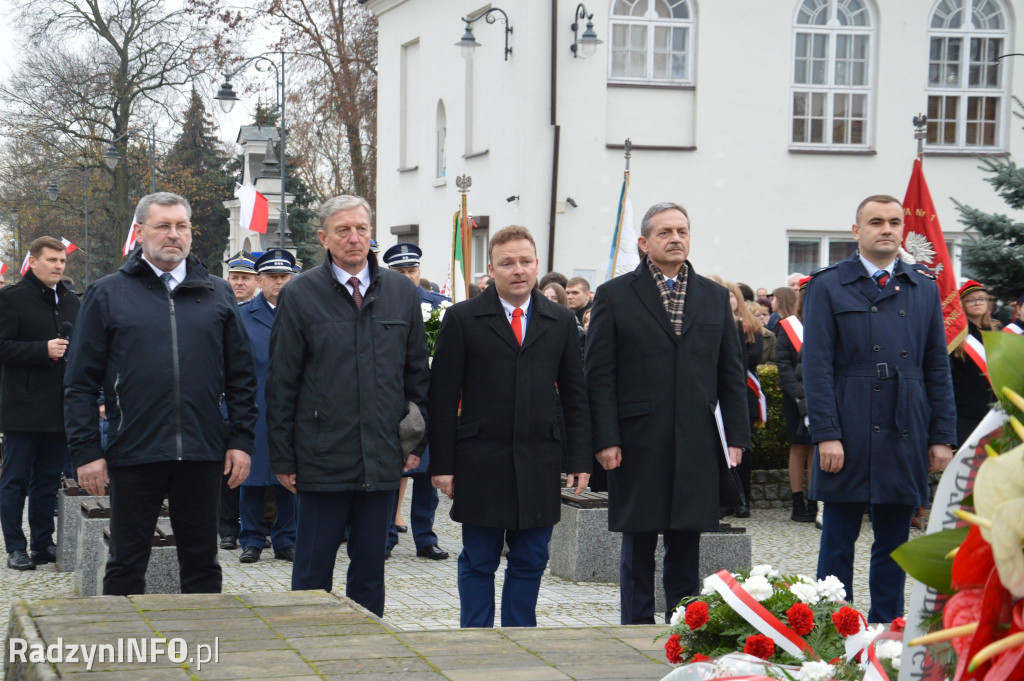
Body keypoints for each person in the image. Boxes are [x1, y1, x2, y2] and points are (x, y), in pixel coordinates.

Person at [65, 192, 258, 594]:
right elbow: (81, 381)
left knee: (203, 565)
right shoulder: (107, 294)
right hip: (134, 450)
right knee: (126, 564)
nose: (174, 235)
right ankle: (125, 654)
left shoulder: (218, 293)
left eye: (181, 226)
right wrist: (86, 452)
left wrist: (240, 440)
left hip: (202, 452)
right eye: (163, 226)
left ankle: (202, 652)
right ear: (139, 232)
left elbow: (241, 376)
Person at [586, 202, 750, 625]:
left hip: (696, 439)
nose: (675, 238)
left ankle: (683, 630)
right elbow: (599, 375)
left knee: (687, 544)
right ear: (643, 243)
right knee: (638, 545)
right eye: (664, 232)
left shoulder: (715, 298)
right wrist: (605, 439)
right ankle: (636, 630)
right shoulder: (614, 296)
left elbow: (731, 374)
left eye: (682, 231)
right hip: (636, 441)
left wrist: (736, 438)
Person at [266, 195, 429, 617]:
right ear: (323, 237)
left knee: (371, 570)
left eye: (361, 229)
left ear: (371, 232)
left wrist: (414, 443)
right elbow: (282, 381)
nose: (354, 238)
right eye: (343, 230)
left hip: (381, 457)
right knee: (312, 574)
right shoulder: (300, 295)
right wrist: (282, 455)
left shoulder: (400, 292)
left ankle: (368, 652)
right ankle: (306, 651)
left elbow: (417, 379)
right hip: (321, 459)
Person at [802, 194, 956, 623]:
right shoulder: (827, 285)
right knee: (837, 539)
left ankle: (887, 630)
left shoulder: (922, 287)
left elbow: (936, 366)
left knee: (895, 541)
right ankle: (831, 629)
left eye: (893, 222)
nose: (886, 229)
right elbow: (816, 367)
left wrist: (942, 435)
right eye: (875, 222)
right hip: (847, 425)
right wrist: (826, 433)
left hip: (904, 423)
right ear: (857, 231)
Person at [429, 225, 592, 628]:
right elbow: (443, 397)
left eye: (525, 261)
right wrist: (443, 465)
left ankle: (522, 639)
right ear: (492, 268)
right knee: (479, 560)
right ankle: (476, 642)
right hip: (480, 460)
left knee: (531, 558)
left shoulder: (560, 320)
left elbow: (575, 395)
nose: (518, 270)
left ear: (537, 265)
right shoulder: (462, 318)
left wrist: (580, 458)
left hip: (539, 458)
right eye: (507, 263)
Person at [0, 236, 80, 570]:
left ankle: (42, 543)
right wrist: (41, 349)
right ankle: (15, 547)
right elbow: (2, 347)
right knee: (15, 479)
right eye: (51, 260)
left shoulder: (72, 302)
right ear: (32, 262)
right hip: (22, 406)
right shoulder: (11, 299)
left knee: (47, 479)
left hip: (60, 405)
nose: (58, 266)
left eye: (62, 261)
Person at [381, 242, 449, 561]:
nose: (407, 277)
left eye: (412, 271)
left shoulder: (439, 308)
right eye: (399, 271)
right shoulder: (380, 305)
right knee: (391, 469)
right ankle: (386, 535)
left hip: (433, 398)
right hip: (393, 396)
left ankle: (425, 537)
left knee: (426, 474)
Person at [237, 249, 297, 565]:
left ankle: (286, 540)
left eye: (284, 276)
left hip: (292, 410)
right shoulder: (243, 316)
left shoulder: (301, 312)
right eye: (273, 277)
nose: (279, 282)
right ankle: (251, 540)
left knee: (289, 477)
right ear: (260, 280)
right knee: (254, 478)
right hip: (256, 407)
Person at [776, 277, 816, 523]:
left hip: (820, 397)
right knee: (798, 447)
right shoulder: (788, 325)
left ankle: (814, 499)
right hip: (795, 399)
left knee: (815, 448)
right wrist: (798, 394)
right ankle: (797, 501)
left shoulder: (825, 323)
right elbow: (783, 364)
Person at [725, 282, 764, 519]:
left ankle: (742, 500)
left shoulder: (750, 324)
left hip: (744, 393)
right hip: (722, 395)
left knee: (743, 451)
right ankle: (726, 499)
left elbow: (753, 356)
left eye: (730, 294)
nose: (727, 298)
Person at [950, 280, 999, 446]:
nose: (977, 302)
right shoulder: (955, 336)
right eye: (971, 300)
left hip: (993, 410)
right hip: (965, 412)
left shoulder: (995, 331)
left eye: (982, 299)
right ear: (962, 305)